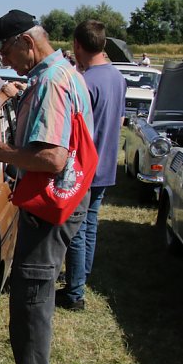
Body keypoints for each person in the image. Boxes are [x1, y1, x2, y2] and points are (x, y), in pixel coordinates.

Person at [0, 9, 93, 364]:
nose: (4, 59)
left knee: (33, 297)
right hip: (63, 199)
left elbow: (52, 158)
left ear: (26, 41)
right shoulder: (63, 73)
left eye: (5, 50)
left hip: (50, 202)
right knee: (28, 292)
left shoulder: (51, 82)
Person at [59, 21, 126, 311]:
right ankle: (80, 277)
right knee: (89, 225)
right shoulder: (117, 77)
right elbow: (120, 120)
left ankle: (74, 293)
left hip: (85, 167)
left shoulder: (85, 82)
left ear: (77, 45)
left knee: (75, 230)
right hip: (106, 163)